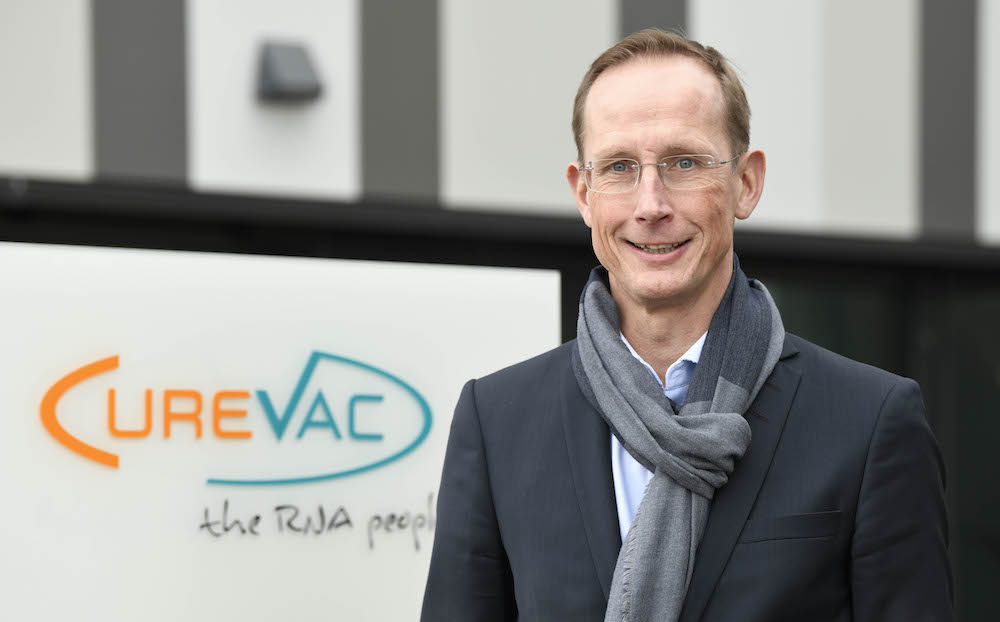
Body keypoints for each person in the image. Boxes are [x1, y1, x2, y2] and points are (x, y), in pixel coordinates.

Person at [421, 29, 952, 622]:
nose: (651, 204)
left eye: (683, 162)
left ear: (745, 183)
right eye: (621, 166)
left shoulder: (870, 422)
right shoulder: (498, 422)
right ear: (583, 193)